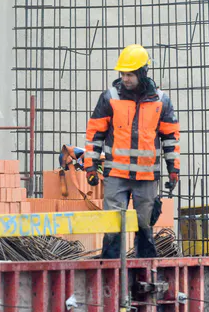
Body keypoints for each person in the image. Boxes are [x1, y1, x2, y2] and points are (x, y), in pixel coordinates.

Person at [83, 44, 180, 259]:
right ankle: (111, 273)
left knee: (144, 226)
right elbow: (95, 134)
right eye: (123, 74)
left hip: (146, 177)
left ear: (142, 73)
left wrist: (174, 169)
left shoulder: (161, 101)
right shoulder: (110, 98)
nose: (126, 79)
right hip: (116, 175)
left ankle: (145, 274)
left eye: (130, 74)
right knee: (113, 226)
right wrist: (90, 166)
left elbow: (170, 138)